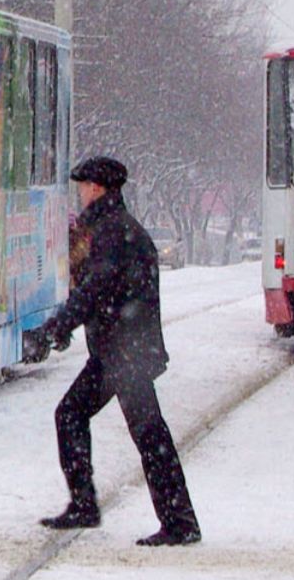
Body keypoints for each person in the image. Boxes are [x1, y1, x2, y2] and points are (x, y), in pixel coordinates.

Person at [26, 156, 200, 547]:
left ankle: (179, 522)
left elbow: (96, 291)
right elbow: (96, 291)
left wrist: (55, 327)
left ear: (98, 189)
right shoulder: (114, 229)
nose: (80, 193)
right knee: (76, 415)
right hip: (118, 350)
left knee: (148, 434)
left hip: (126, 352)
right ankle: (88, 505)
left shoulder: (114, 232)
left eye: (83, 186)